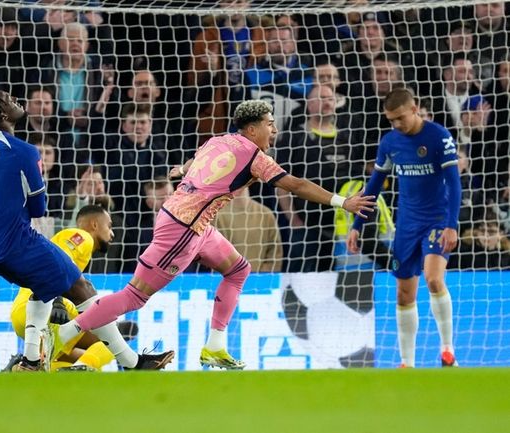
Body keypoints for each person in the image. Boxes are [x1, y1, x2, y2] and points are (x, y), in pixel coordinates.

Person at [53, 100, 375, 369]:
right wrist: (341, 201)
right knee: (135, 296)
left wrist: (182, 169)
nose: (274, 129)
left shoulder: (218, 139)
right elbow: (296, 185)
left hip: (195, 224)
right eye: (269, 123)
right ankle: (67, 332)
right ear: (251, 129)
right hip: (182, 228)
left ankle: (215, 345)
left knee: (238, 269)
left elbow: (195, 160)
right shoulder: (254, 155)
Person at [0, 89, 174, 372]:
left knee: (41, 287)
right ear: (2, 115)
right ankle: (131, 362)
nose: (18, 101)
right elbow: (38, 208)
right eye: (10, 101)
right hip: (18, 242)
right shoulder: (23, 152)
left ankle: (32, 361)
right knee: (83, 289)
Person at [347, 87, 461, 368]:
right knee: (404, 293)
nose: (397, 124)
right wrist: (357, 224)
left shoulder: (438, 137)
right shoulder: (390, 143)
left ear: (414, 109)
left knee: (434, 279)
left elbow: (454, 183)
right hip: (406, 225)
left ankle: (448, 350)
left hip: (436, 221)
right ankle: (407, 363)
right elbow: (374, 186)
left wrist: (451, 224)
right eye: (391, 120)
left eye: (400, 117)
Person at [10, 205, 135, 372]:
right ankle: (84, 368)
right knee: (111, 335)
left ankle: (20, 367)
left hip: (24, 315)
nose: (112, 233)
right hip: (45, 307)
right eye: (109, 226)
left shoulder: (74, 248)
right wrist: (58, 301)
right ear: (94, 225)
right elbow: (56, 266)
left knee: (56, 362)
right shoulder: (81, 236)